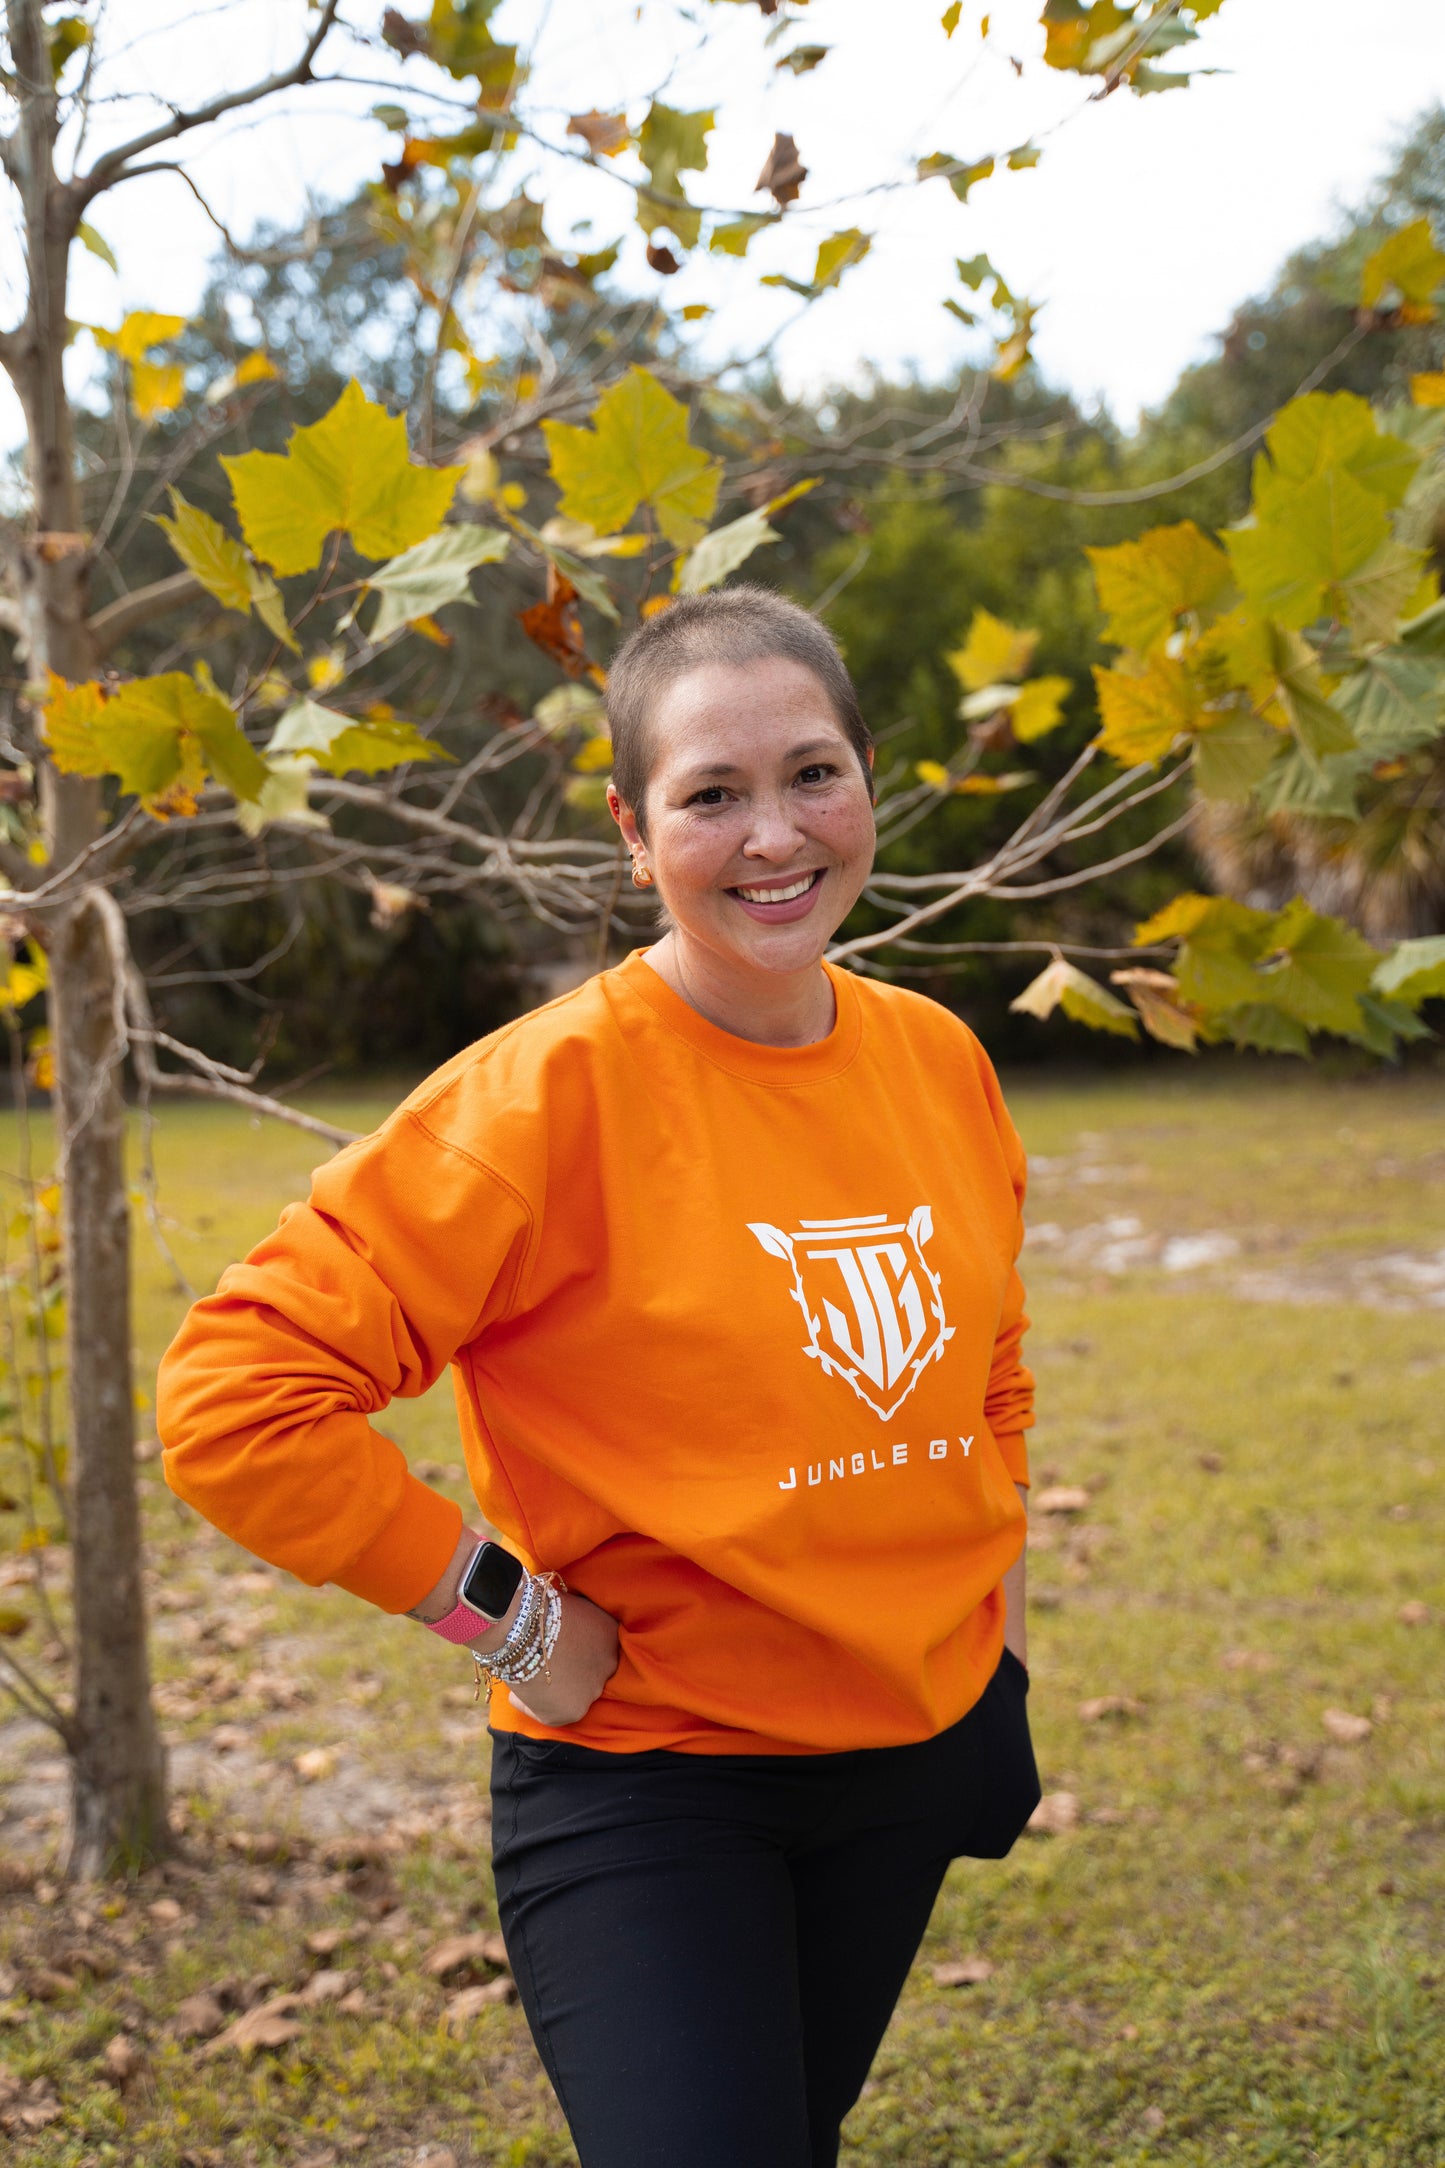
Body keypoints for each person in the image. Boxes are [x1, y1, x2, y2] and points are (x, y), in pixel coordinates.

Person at [158, 585, 1041, 2168]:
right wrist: (512, 1621)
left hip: (907, 1761)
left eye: (810, 774)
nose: (773, 834)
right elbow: (236, 1396)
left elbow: (988, 1376)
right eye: (713, 795)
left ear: (866, 786)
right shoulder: (536, 1104)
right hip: (653, 1784)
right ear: (636, 835)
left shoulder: (937, 1058)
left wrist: (997, 1665)